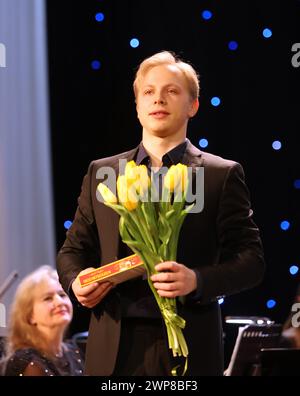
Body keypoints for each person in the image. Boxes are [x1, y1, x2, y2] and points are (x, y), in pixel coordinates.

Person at [56, 51, 265, 376]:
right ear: (137, 105)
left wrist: (197, 279)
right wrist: (76, 282)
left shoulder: (219, 174)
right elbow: (72, 251)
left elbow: (252, 261)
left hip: (189, 342)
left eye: (172, 90)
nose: (159, 99)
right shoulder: (102, 172)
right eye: (149, 92)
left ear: (193, 105)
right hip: (114, 346)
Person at [2, 265, 84, 376]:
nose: (59, 302)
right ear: (30, 316)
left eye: (62, 295)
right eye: (48, 298)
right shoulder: (26, 361)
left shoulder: (75, 352)